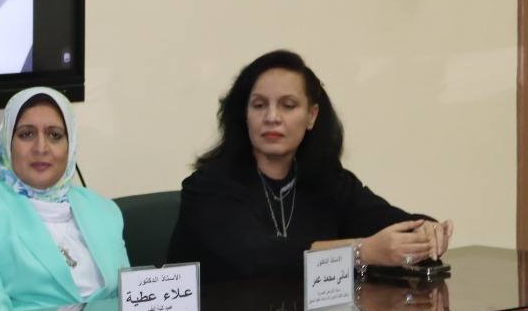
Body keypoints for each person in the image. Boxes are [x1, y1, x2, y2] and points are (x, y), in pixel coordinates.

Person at [167, 50, 453, 285]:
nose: (272, 117)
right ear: (244, 115)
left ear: (311, 116)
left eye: (288, 105)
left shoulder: (328, 181)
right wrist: (361, 252)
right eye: (258, 105)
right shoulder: (209, 186)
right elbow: (256, 257)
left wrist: (424, 230)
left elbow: (385, 221)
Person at [0, 87, 129, 311]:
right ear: (8, 142)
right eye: (26, 134)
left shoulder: (104, 210)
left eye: (55, 135)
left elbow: (130, 303)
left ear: (70, 145)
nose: (41, 148)